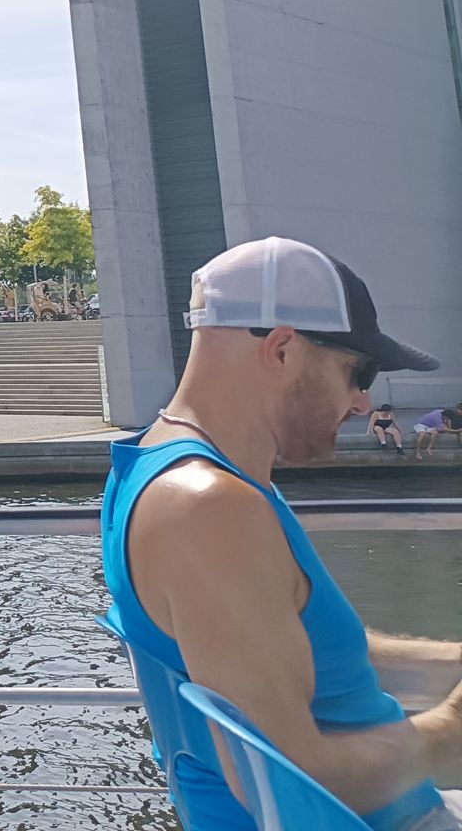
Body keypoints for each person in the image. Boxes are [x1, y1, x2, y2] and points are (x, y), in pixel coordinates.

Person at [104, 236, 462, 829]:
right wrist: (450, 731)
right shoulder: (208, 508)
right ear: (283, 350)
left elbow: (299, 649)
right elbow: (287, 781)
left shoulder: (164, 470)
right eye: (357, 371)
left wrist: (450, 663)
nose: (363, 401)